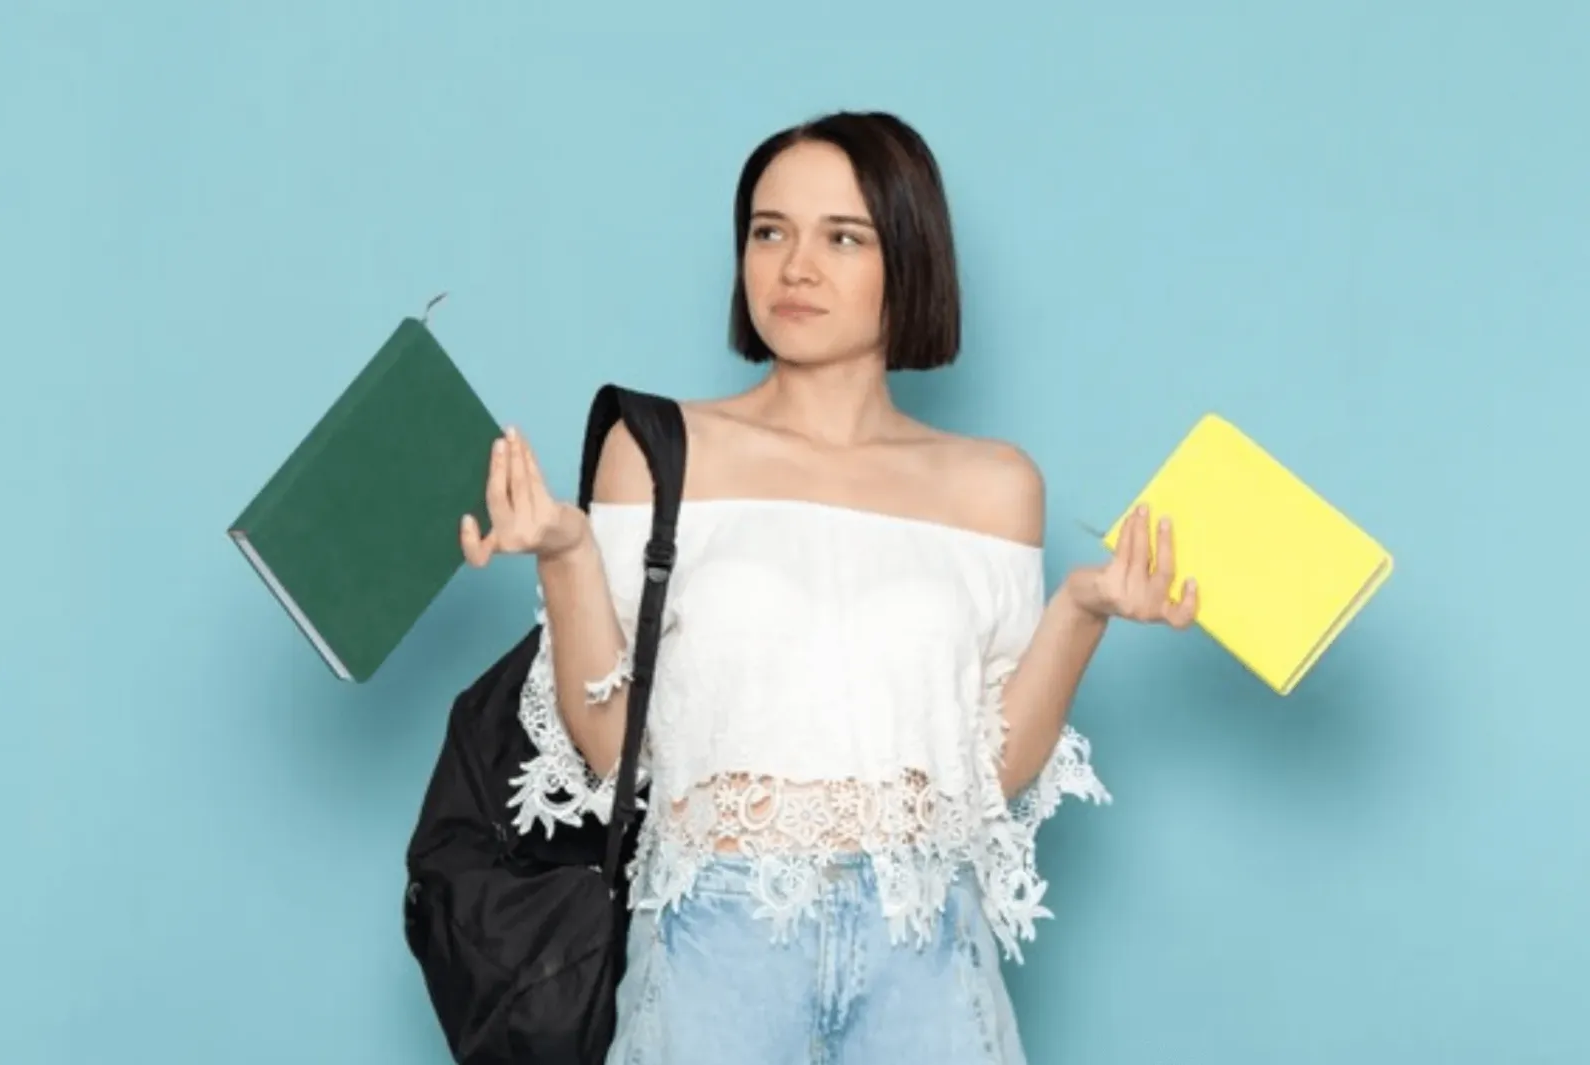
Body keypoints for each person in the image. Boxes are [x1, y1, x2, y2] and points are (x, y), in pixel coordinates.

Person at [458, 110, 1198, 1065]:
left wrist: (1082, 611)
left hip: (928, 947)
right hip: (714, 939)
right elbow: (612, 749)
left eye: (842, 237)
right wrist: (564, 555)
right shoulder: (657, 451)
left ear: (911, 261)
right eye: (770, 232)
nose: (794, 267)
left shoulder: (995, 484)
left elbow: (988, 774)